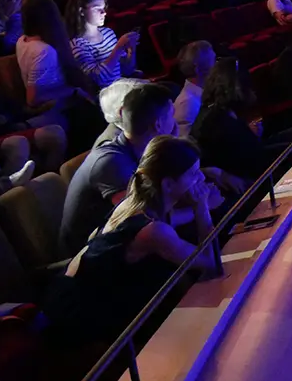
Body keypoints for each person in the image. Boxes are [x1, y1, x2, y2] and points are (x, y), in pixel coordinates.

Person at [45, 136, 219, 343]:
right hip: (79, 313)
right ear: (168, 184)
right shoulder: (154, 232)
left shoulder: (135, 203)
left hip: (72, 290)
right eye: (193, 174)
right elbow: (211, 264)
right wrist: (201, 209)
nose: (200, 178)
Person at [59, 82, 176, 253]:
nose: (175, 121)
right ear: (158, 125)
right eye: (171, 115)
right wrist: (198, 208)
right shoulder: (112, 162)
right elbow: (140, 220)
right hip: (90, 256)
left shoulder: (137, 145)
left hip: (119, 240)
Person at [66, 0, 141, 88]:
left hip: (120, 87)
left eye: (104, 8)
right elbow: (98, 79)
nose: (104, 13)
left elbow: (127, 69)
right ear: (81, 11)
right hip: (104, 96)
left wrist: (131, 50)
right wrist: (118, 48)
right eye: (97, 9)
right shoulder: (77, 44)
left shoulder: (108, 33)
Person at [174, 41, 217, 137]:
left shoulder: (206, 93)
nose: (217, 67)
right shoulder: (187, 104)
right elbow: (188, 146)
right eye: (213, 62)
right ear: (198, 69)